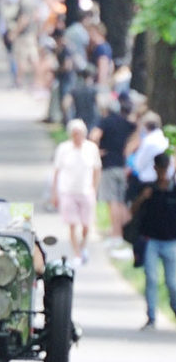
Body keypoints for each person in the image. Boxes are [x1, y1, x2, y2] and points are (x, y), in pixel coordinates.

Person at [131, 153, 176, 331]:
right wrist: (143, 197)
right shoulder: (148, 189)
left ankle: (174, 308)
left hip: (171, 242)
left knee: (172, 283)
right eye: (160, 168)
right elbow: (133, 211)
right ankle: (151, 317)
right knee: (151, 278)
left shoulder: (173, 190)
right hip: (152, 241)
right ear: (155, 168)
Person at [51, 118, 102, 267]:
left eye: (79, 133)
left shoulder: (91, 148)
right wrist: (55, 193)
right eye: (74, 134)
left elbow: (97, 169)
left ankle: (83, 246)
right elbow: (57, 171)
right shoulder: (64, 149)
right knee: (72, 223)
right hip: (68, 190)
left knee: (86, 224)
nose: (76, 137)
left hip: (86, 190)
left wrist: (94, 188)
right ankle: (77, 253)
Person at [89, 97, 136, 245]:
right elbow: (136, 134)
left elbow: (94, 136)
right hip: (122, 166)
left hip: (109, 164)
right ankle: (123, 233)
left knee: (112, 202)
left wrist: (97, 150)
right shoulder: (127, 123)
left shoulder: (106, 121)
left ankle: (115, 235)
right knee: (121, 201)